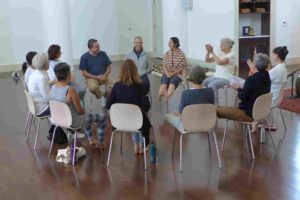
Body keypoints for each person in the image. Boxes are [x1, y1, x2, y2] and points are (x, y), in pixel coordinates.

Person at [106, 59, 151, 154]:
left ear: (121, 71)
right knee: (141, 119)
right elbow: (146, 107)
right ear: (135, 71)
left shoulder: (116, 86)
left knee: (134, 118)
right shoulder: (139, 86)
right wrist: (145, 98)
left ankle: (136, 145)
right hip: (136, 121)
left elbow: (108, 105)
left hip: (119, 122)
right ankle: (142, 146)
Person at [217, 53, 271, 122]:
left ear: (254, 64)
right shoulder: (267, 76)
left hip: (249, 113)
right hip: (262, 111)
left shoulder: (251, 79)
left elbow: (242, 97)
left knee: (216, 110)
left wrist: (237, 88)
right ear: (267, 65)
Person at [165, 66, 214, 131]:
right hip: (208, 124)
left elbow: (181, 113)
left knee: (167, 116)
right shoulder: (210, 91)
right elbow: (210, 107)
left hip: (188, 125)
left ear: (191, 78)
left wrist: (175, 114)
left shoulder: (186, 93)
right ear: (203, 77)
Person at [50, 63, 85, 128]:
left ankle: (87, 133)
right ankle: (88, 134)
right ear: (69, 74)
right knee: (101, 118)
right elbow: (80, 111)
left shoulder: (53, 87)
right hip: (73, 122)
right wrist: (84, 111)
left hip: (58, 120)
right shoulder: (70, 90)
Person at [203, 38, 235, 105]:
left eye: (221, 45)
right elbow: (207, 60)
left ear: (226, 45)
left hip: (227, 78)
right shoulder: (220, 54)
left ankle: (215, 106)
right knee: (204, 82)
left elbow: (220, 62)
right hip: (216, 77)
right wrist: (208, 52)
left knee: (212, 85)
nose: (220, 46)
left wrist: (212, 52)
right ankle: (207, 103)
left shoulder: (232, 55)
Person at [158, 37, 187, 101]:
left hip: (177, 74)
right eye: (168, 42)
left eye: (170, 42)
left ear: (175, 44)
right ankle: (161, 93)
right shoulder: (167, 53)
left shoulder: (181, 54)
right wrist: (168, 73)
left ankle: (167, 97)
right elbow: (164, 65)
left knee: (173, 82)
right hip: (167, 73)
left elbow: (182, 68)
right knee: (164, 82)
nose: (168, 44)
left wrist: (172, 74)